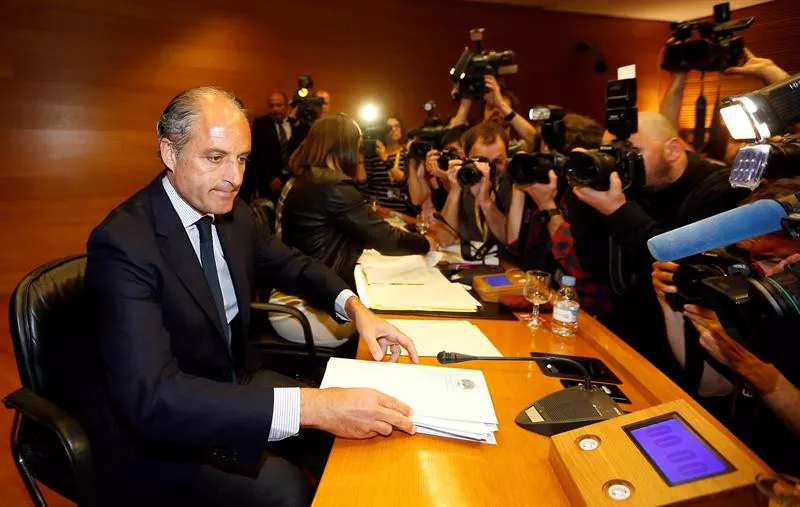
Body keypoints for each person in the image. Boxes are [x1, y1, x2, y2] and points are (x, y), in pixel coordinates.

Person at [82, 86, 420, 507]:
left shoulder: (232, 212)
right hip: (157, 431)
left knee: (355, 442)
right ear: (170, 152)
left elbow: (292, 265)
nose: (235, 177)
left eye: (242, 159)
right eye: (215, 157)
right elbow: (153, 398)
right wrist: (315, 408)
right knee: (288, 491)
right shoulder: (123, 243)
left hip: (230, 380)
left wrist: (355, 308)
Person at [568, 111, 745, 372]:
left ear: (672, 150)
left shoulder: (717, 188)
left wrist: (619, 211)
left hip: (693, 353)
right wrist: (582, 191)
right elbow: (593, 263)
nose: (619, 160)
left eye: (631, 151)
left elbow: (678, 271)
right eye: (612, 152)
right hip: (630, 336)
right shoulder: (631, 186)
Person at [651, 178, 800, 473]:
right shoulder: (756, 303)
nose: (760, 273)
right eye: (750, 260)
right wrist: (671, 304)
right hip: (744, 464)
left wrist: (760, 373)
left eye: (772, 259)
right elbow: (712, 386)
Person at [274, 114, 438, 348]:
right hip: (304, 308)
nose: (360, 154)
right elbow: (386, 239)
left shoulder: (310, 179)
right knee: (395, 324)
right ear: (345, 147)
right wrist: (426, 243)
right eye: (357, 147)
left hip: (298, 298)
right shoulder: (332, 188)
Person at [505, 113, 612, 318]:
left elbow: (576, 266)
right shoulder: (550, 190)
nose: (548, 164)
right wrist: (519, 184)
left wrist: (548, 207)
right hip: (549, 300)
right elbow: (515, 245)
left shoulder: (594, 194)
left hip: (587, 313)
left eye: (553, 158)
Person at [441, 121, 512, 245]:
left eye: (497, 161)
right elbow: (444, 240)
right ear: (466, 157)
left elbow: (510, 240)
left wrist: (485, 201)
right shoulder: (466, 178)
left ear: (507, 157)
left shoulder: (517, 184)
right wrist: (454, 190)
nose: (489, 169)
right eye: (482, 161)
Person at [242, 91, 308, 202]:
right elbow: (258, 153)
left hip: (293, 180)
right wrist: (271, 178)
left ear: (286, 106)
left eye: (279, 105)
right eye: (271, 106)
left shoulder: (297, 125)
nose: (275, 109)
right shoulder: (261, 124)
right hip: (269, 182)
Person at [449, 76, 536, 149]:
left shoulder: (519, 146)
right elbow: (450, 143)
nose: (496, 111)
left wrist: (501, 104)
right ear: (483, 114)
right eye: (491, 107)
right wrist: (465, 102)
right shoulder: (473, 145)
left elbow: (536, 140)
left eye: (501, 109)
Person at [407, 124, 469, 215]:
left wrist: (442, 175)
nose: (453, 155)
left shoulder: (469, 171)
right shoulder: (439, 163)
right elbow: (418, 200)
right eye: (448, 150)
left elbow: (464, 204)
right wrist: (411, 159)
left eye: (455, 150)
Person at [360, 115, 412, 212]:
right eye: (389, 127)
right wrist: (360, 159)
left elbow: (405, 184)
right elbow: (363, 185)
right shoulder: (374, 154)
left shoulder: (407, 155)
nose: (393, 129)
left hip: (399, 212)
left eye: (397, 126)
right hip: (376, 209)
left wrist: (385, 158)